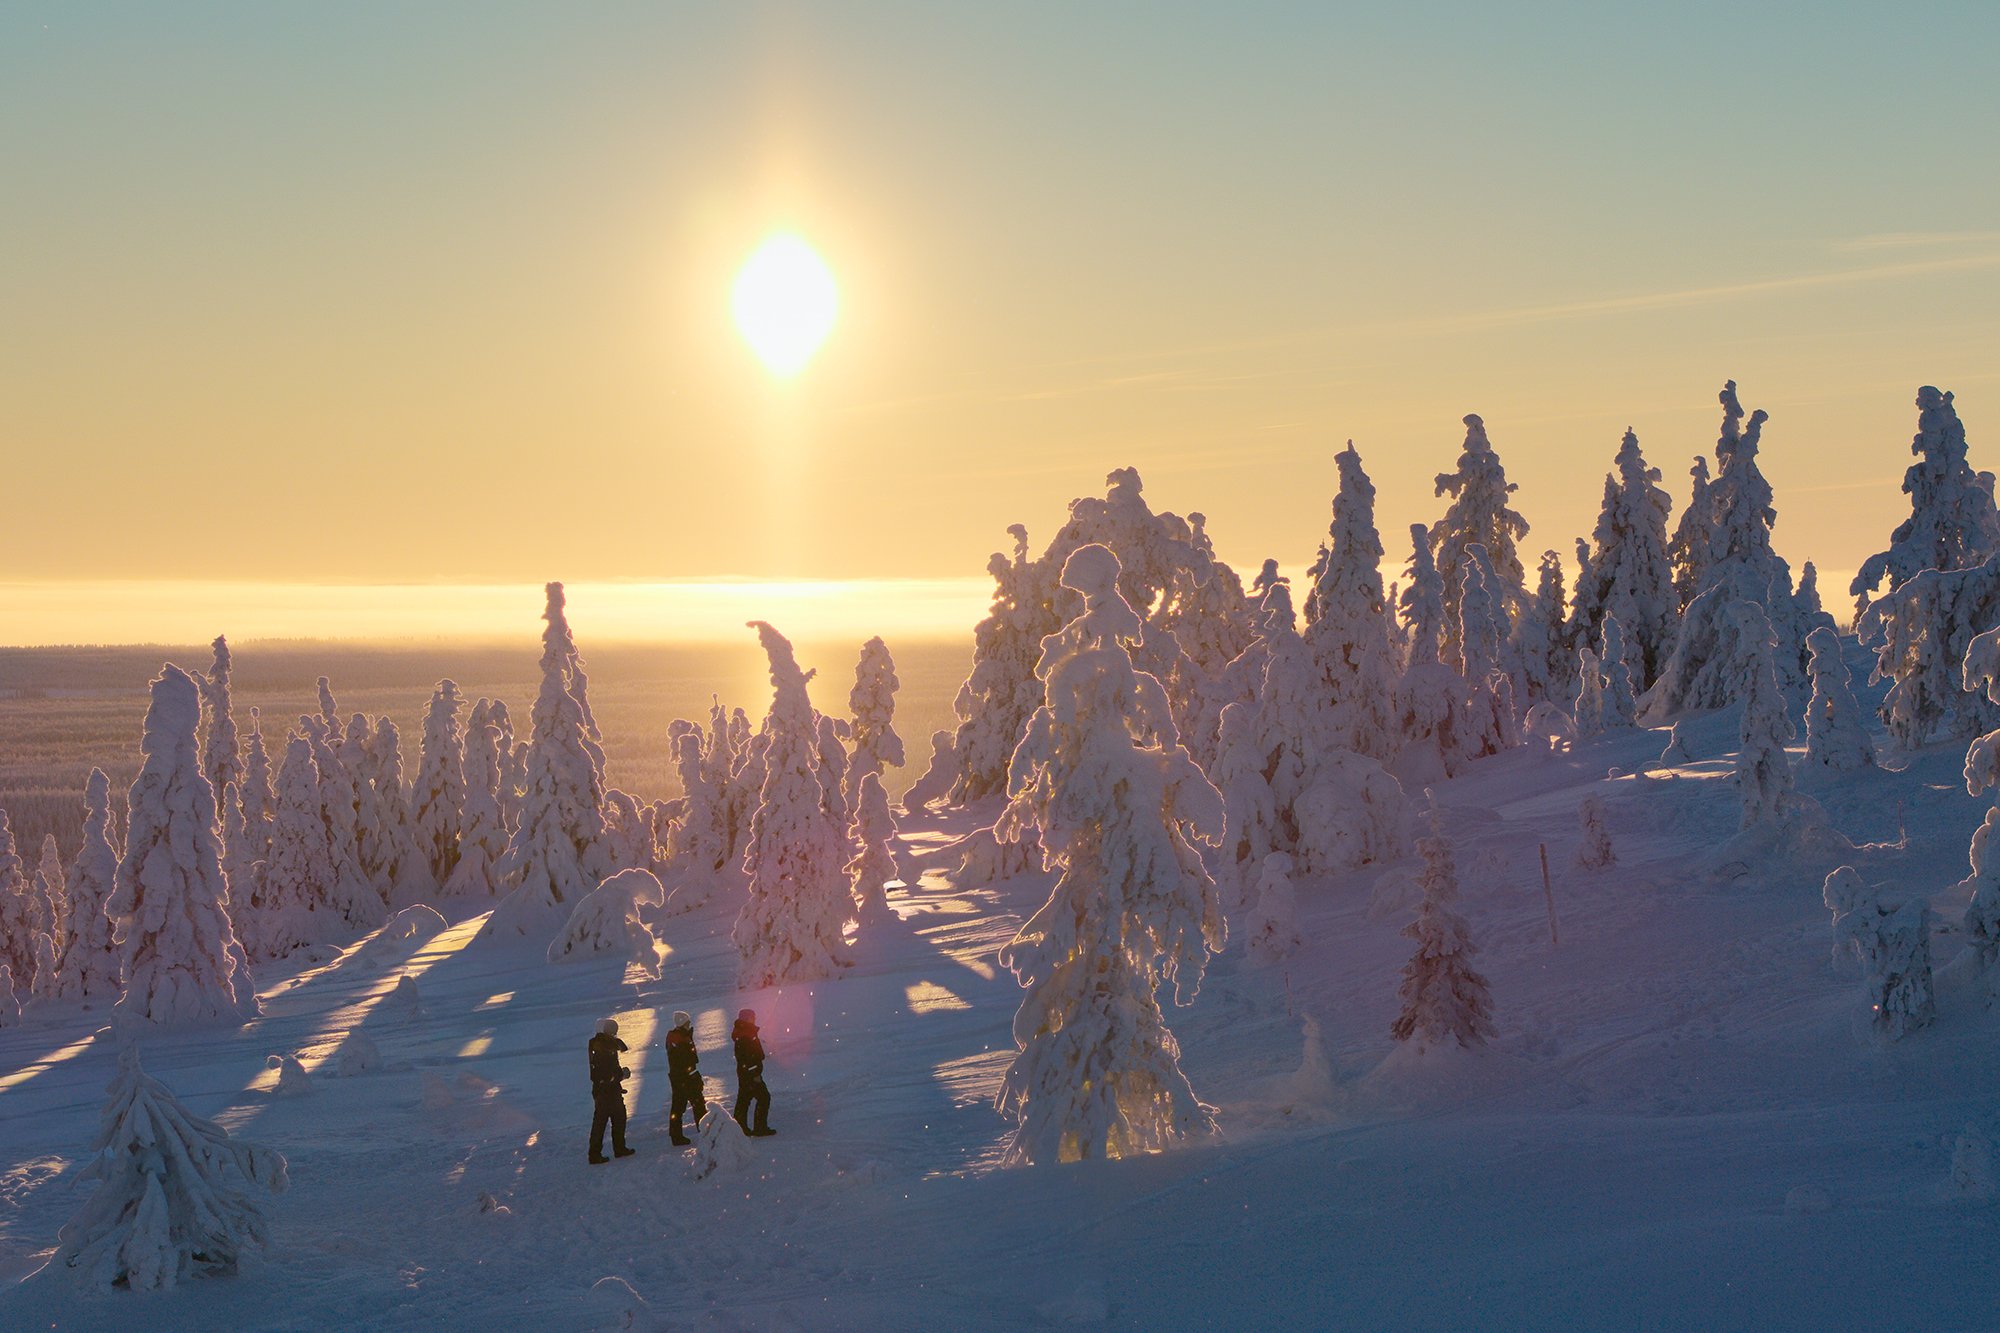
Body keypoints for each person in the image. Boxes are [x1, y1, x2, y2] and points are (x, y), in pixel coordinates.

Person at [587, 1017, 636, 1164]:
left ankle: (618, 1148)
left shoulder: (604, 1044)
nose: (614, 1033)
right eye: (611, 1030)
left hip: (609, 1090)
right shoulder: (602, 1047)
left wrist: (618, 1075)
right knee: (601, 1122)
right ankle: (596, 1154)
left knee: (618, 1118)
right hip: (605, 1091)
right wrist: (621, 1075)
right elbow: (603, 1073)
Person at [665, 1010, 706, 1146]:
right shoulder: (681, 1039)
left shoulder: (675, 1037)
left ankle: (676, 1135)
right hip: (685, 1078)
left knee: (678, 1106)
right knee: (698, 1103)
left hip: (678, 1077)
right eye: (688, 1022)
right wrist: (694, 1076)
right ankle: (705, 1131)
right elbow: (686, 1061)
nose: (690, 1024)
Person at [732, 1008, 774, 1137]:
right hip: (750, 1073)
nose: (754, 1018)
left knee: (744, 1099)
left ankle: (739, 1128)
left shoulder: (745, 1032)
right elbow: (748, 1057)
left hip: (746, 1072)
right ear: (747, 1019)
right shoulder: (746, 1035)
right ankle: (759, 1128)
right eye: (752, 1017)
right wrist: (754, 1074)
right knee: (764, 1097)